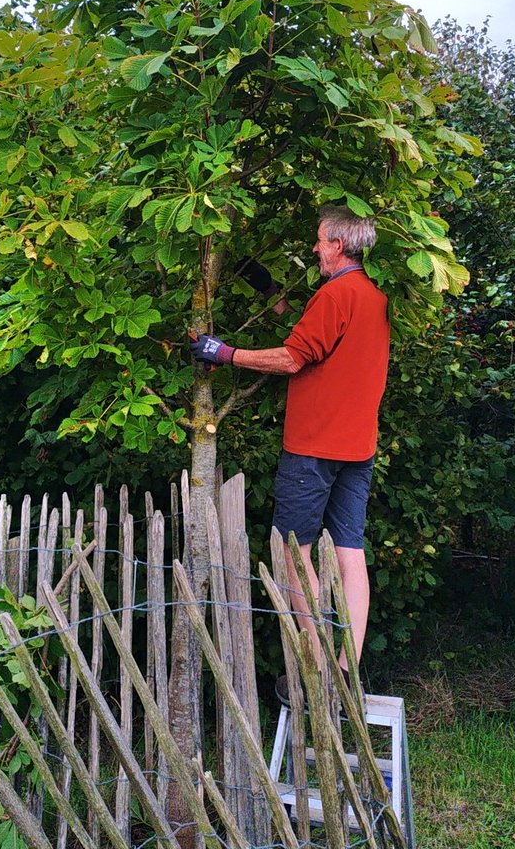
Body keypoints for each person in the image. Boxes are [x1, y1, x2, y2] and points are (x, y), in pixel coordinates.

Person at [190, 205, 390, 702]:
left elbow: (294, 355)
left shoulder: (335, 294)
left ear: (339, 244)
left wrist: (224, 353)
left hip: (314, 448)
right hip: (357, 448)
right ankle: (347, 669)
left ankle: (317, 670)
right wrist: (265, 291)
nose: (315, 248)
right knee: (349, 553)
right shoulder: (374, 297)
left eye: (321, 241)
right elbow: (316, 330)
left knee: (291, 553)